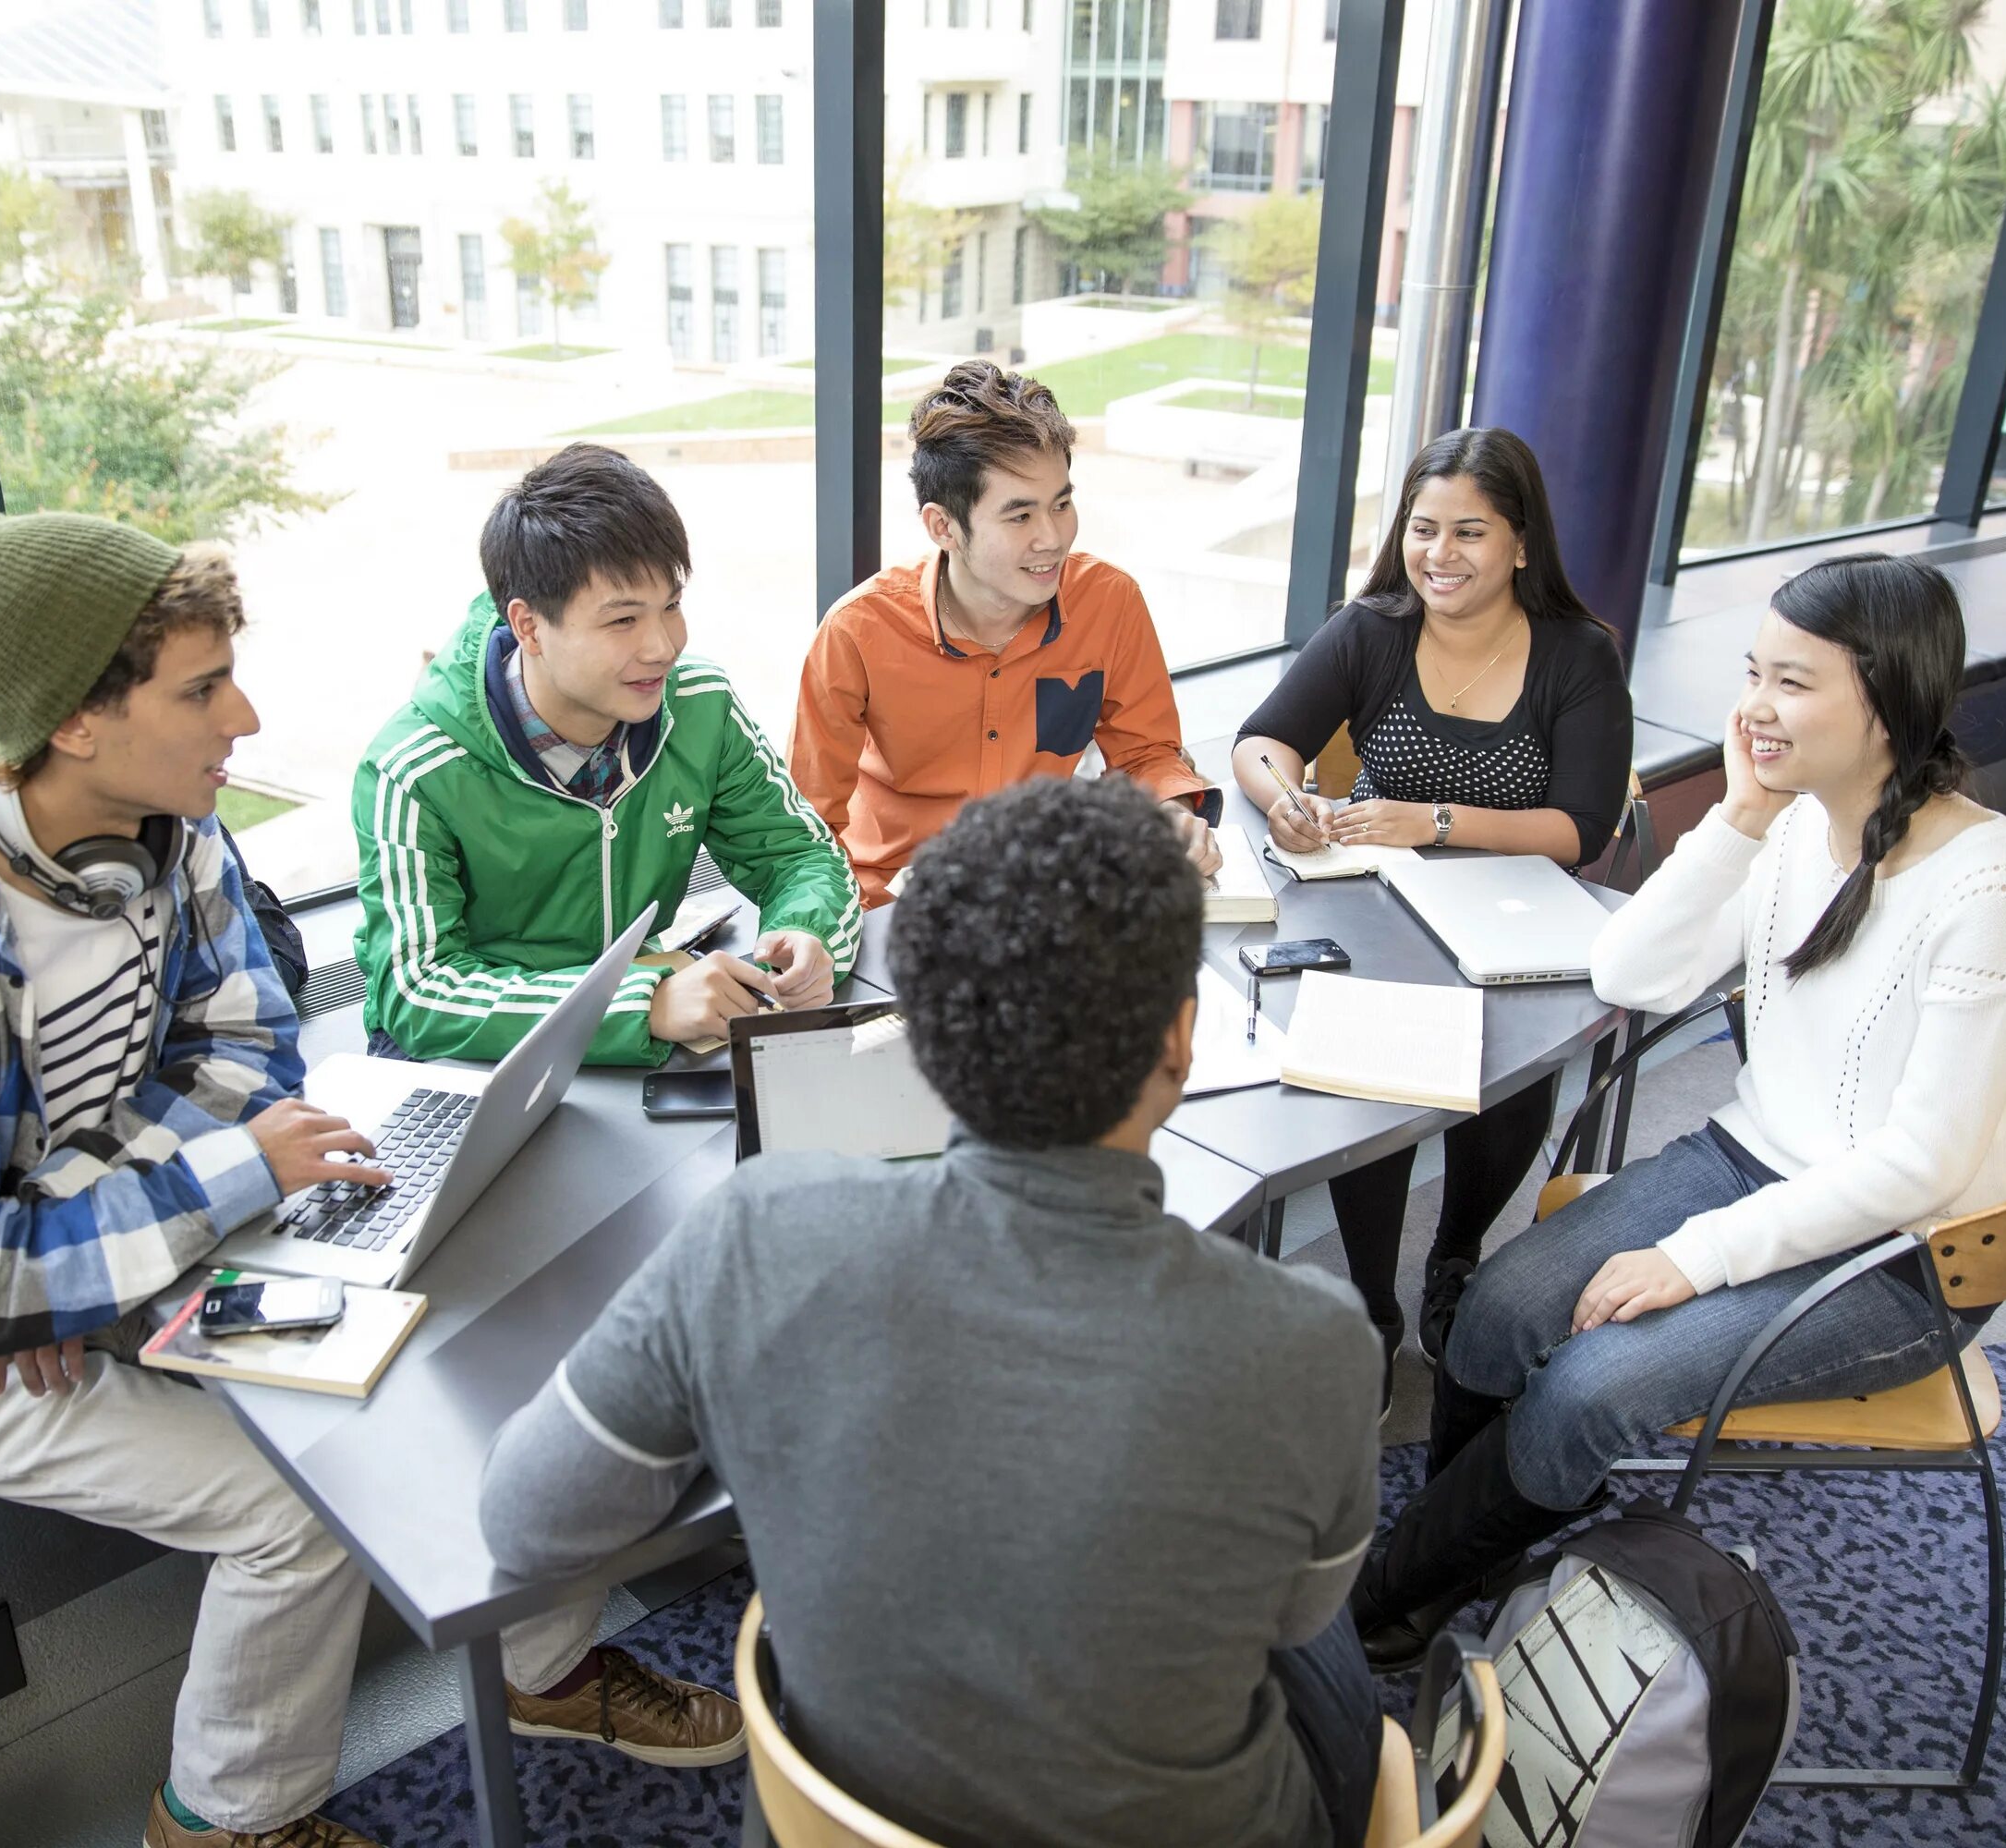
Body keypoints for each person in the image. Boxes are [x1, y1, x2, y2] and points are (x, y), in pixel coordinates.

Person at [0, 511, 736, 1848]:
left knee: (483, 1341)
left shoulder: (173, 831)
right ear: (73, 722)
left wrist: (76, 1234)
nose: (245, 713)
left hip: (100, 1257)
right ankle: (227, 1826)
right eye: (200, 689)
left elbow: (250, 1045)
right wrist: (103, 1241)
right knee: (288, 1514)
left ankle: (548, 1675)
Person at [477, 776, 1389, 1848]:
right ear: (1179, 1039)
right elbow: (1290, 1616)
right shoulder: (1318, 1340)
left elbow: (525, 1523)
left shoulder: (752, 1238)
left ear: (924, 1033)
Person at [1347, 553, 2006, 1672]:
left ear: (1890, 696)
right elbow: (1631, 969)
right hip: (1755, 1161)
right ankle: (1456, 1558)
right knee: (1496, 1306)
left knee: (1586, 1387)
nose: (1755, 706)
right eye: (1753, 672)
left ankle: (1384, 1599)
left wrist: (1698, 1256)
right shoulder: (1793, 822)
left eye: (1793, 681)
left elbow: (1923, 1163)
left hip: (1909, 1251)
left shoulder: (1988, 880)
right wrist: (1736, 815)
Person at [1233, 427, 1635, 1395]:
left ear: (1521, 543)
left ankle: (1453, 1258)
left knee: (1505, 1082)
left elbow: (1582, 829)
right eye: (1423, 529)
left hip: (1518, 916)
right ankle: (1371, 1304)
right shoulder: (1370, 629)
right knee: (1366, 1086)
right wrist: (1287, 795)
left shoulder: (1578, 655)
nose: (1440, 554)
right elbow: (1260, 740)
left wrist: (1438, 818)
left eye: (1471, 532)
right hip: (1385, 911)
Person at [354, 443, 860, 1063]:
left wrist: (804, 932)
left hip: (636, 1025)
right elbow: (418, 993)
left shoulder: (700, 706)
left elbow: (799, 854)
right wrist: (639, 1004)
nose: (662, 646)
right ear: (529, 625)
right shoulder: (415, 768)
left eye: (671, 606)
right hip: (468, 1055)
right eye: (622, 621)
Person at [791, 359, 1222, 906]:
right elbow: (805, 827)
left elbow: (1146, 756)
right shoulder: (857, 633)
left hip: (1037, 898)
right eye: (1019, 517)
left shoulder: (1110, 603)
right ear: (943, 526)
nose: (1052, 538)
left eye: (1062, 504)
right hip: (891, 909)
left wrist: (1172, 815)